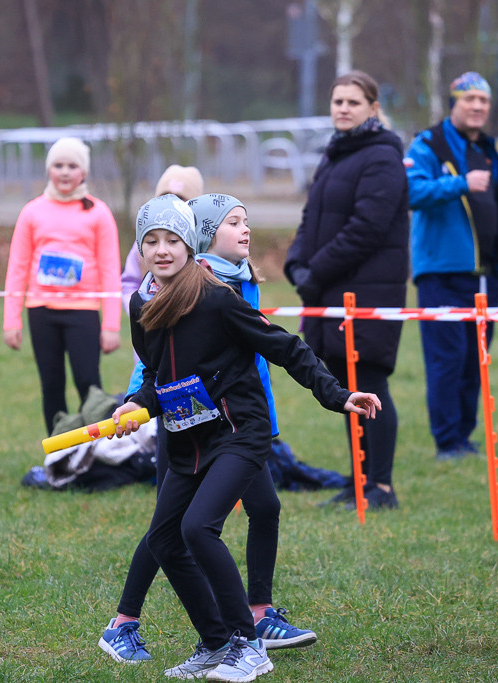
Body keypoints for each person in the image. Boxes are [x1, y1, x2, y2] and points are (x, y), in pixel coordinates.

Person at [110, 194, 381, 681]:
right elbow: (157, 373)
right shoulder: (140, 302)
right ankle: (216, 644)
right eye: (152, 241)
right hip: (185, 439)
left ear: (191, 244)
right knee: (166, 539)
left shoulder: (215, 297)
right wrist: (137, 404)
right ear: (140, 249)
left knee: (198, 528)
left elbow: (284, 346)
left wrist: (337, 395)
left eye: (173, 239)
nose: (163, 249)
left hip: (239, 432)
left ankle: (248, 645)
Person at [284, 70, 409, 509]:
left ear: (373, 109)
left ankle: (382, 486)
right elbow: (310, 217)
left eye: (353, 102)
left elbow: (366, 229)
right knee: (346, 386)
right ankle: (359, 482)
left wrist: (314, 273)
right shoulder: (336, 154)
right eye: (337, 101)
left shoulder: (382, 157)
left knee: (370, 379)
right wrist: (295, 261)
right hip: (331, 291)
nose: (342, 109)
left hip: (367, 292)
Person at [403, 71, 498, 460]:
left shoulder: (490, 149)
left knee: (476, 362)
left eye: (483, 101)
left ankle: (465, 438)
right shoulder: (428, 145)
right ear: (453, 103)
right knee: (446, 362)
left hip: (488, 275)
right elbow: (411, 192)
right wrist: (460, 184)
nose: (476, 106)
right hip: (441, 273)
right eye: (468, 99)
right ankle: (447, 441)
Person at [3, 137, 121, 435]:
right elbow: (17, 268)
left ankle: (97, 451)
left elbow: (110, 270)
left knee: (88, 382)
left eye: (72, 166)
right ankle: (59, 453)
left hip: (82, 312)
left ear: (84, 172)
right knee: (52, 384)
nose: (65, 172)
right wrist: (11, 320)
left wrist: (111, 325)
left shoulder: (98, 212)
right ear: (48, 170)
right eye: (58, 165)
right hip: (41, 311)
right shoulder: (32, 212)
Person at [121, 165, 205, 313]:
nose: (172, 203)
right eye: (165, 196)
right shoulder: (143, 243)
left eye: (180, 198)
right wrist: (139, 310)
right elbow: (130, 282)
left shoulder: (205, 242)